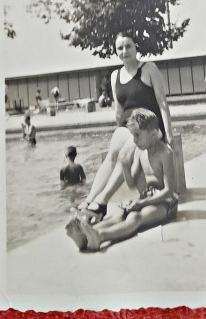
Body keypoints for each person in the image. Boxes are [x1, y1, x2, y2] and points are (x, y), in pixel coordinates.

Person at [76, 31, 174, 224]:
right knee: (113, 153)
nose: (124, 51)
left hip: (148, 126)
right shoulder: (115, 76)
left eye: (128, 46)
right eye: (119, 48)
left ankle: (102, 203)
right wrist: (117, 131)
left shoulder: (149, 69)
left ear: (136, 47)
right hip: (127, 126)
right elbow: (119, 109)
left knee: (125, 152)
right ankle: (90, 200)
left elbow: (162, 103)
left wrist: (168, 134)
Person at [66, 108, 178, 251]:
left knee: (135, 218)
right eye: (133, 136)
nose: (134, 140)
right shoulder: (139, 151)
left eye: (137, 135)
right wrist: (125, 165)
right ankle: (83, 236)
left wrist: (141, 203)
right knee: (120, 214)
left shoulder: (165, 153)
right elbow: (131, 184)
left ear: (154, 135)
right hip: (146, 198)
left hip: (166, 203)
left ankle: (100, 236)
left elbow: (169, 191)